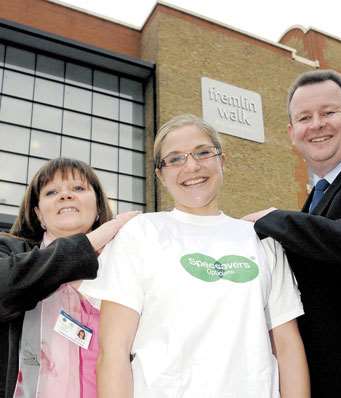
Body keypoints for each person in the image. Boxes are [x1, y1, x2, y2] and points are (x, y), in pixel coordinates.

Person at [80, 114, 310, 398]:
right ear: (160, 174)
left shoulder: (261, 240)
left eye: (203, 153)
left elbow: (287, 347)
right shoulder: (140, 233)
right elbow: (114, 352)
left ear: (222, 161)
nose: (191, 166)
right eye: (175, 159)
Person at [244, 69, 341, 397]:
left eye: (329, 112)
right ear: (291, 132)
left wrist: (277, 220)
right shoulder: (313, 203)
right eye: (304, 117)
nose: (317, 124)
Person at [0, 157, 138, 398]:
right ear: (38, 214)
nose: (65, 195)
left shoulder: (124, 265)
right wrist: (96, 238)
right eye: (52, 191)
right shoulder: (12, 252)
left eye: (78, 188)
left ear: (97, 207)